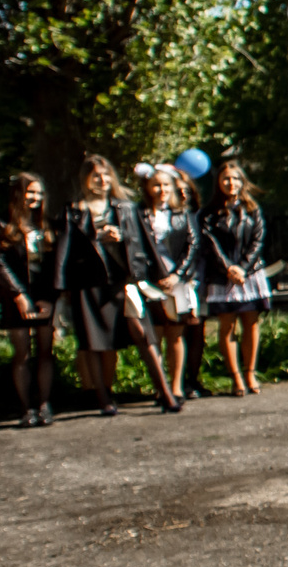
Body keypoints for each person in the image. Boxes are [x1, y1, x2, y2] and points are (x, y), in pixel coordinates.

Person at [56, 155, 156, 415]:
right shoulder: (74, 210)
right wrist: (97, 237)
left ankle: (149, 391)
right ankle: (100, 396)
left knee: (126, 337)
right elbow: (66, 250)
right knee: (93, 341)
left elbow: (141, 243)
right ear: (86, 179)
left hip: (121, 282)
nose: (102, 180)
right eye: (96, 176)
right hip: (87, 284)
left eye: (106, 175)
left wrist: (151, 273)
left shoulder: (125, 207)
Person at [201, 160, 271, 395]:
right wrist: (229, 269)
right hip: (223, 277)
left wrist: (242, 268)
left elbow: (258, 241)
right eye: (226, 179)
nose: (231, 183)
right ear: (218, 183)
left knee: (251, 324)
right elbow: (210, 244)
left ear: (243, 181)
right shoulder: (209, 213)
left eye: (236, 178)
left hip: (250, 274)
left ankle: (251, 373)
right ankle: (236, 377)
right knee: (227, 326)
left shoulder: (253, 209)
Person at [135, 165, 200, 408]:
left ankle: (176, 386)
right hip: (151, 282)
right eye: (156, 185)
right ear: (147, 188)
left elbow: (192, 245)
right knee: (156, 335)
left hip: (177, 281)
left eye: (165, 185)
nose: (161, 189)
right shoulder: (139, 215)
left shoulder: (182, 213)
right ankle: (160, 387)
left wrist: (177, 275)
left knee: (176, 333)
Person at [0, 175, 59, 425]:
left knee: (45, 351)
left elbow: (56, 265)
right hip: (16, 297)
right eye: (30, 192)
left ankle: (44, 405)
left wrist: (50, 298)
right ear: (18, 193)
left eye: (39, 193)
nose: (35, 198)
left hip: (44, 297)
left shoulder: (47, 225)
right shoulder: (1, 224)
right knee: (21, 353)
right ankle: (25, 409)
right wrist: (18, 295)